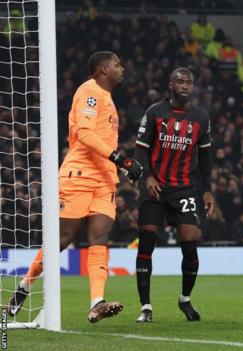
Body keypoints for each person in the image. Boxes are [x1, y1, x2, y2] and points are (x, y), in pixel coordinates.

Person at [8, 51, 143, 323]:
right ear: (103, 70)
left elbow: (103, 140)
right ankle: (23, 289)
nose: (122, 67)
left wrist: (122, 166)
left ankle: (96, 303)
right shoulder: (90, 91)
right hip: (79, 175)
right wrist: (119, 158)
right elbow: (84, 133)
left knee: (99, 239)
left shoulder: (108, 99)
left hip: (105, 179)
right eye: (117, 63)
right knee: (63, 239)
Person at [134, 67, 215, 323]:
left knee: (190, 247)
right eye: (180, 81)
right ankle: (146, 306)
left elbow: (205, 158)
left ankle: (185, 299)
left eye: (189, 82)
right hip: (156, 187)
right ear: (171, 85)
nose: (185, 85)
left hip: (185, 188)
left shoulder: (201, 117)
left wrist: (207, 190)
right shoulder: (155, 112)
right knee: (147, 244)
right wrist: (147, 176)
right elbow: (141, 149)